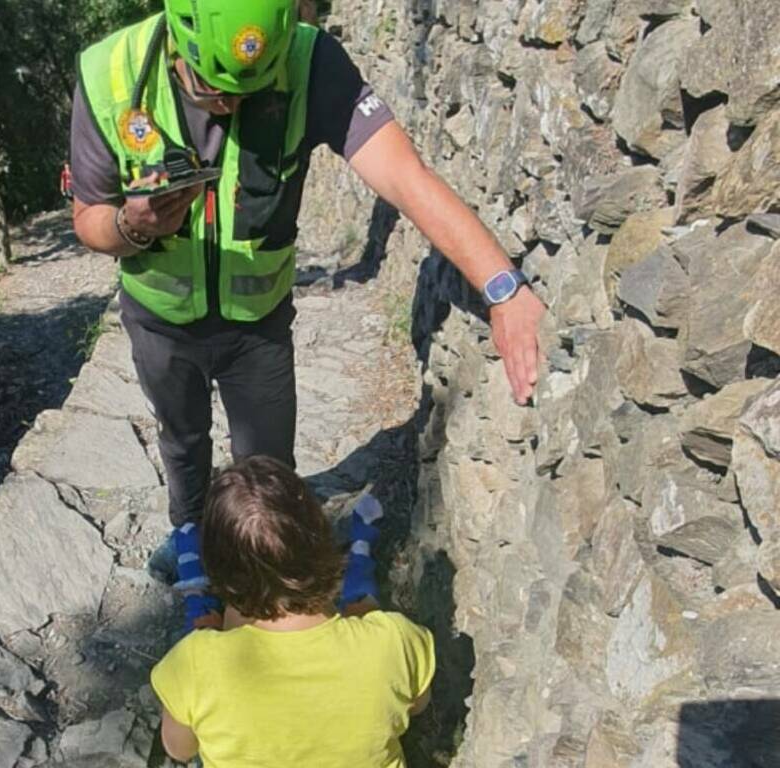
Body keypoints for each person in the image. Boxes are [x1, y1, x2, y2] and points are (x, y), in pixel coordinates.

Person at [71, 1, 545, 616]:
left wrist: (501, 286)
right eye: (211, 90)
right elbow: (88, 220)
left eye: (249, 90)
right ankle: (190, 534)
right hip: (159, 317)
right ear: (176, 44)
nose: (229, 107)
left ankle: (266, 591)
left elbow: (404, 176)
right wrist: (131, 227)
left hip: (258, 324)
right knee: (182, 438)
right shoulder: (109, 71)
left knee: (270, 471)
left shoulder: (310, 60)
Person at [150, 456, 435, 767]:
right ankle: (360, 557)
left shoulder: (194, 662)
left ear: (218, 571)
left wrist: (208, 641)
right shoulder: (393, 640)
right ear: (320, 538)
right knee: (362, 607)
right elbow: (419, 705)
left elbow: (179, 749)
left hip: (211, 653)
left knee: (201, 631)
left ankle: (196, 586)